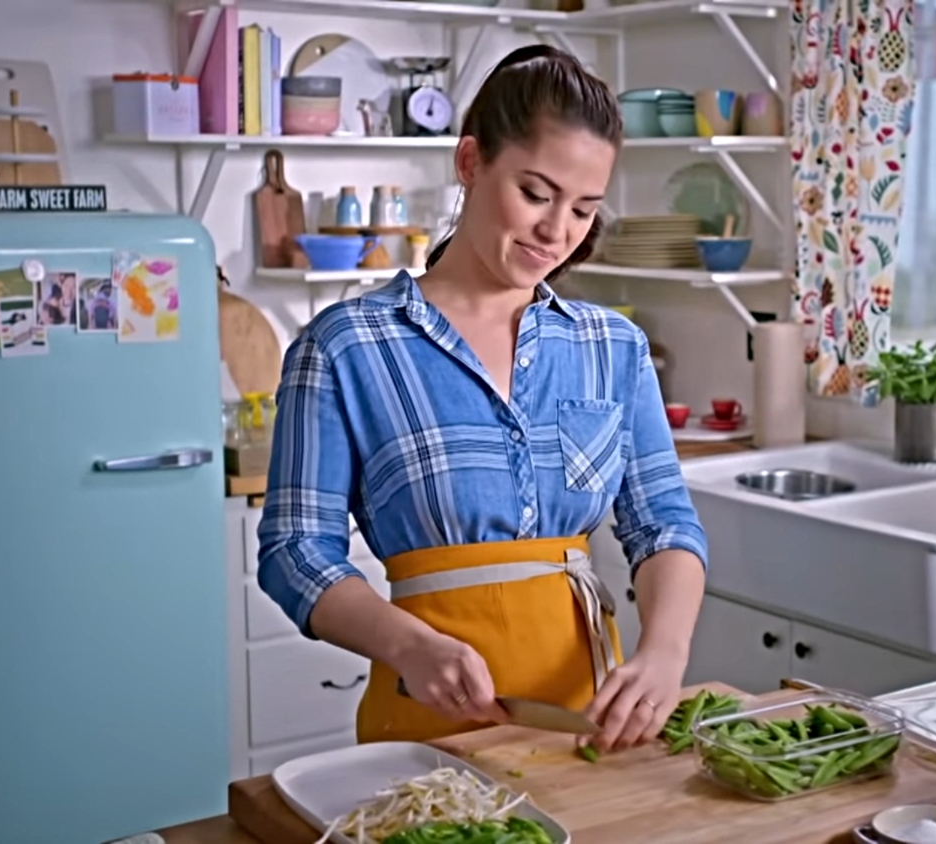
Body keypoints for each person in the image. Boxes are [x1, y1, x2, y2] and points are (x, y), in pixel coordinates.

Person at [256, 44, 709, 754]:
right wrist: (407, 647)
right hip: (421, 731)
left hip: (587, 733)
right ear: (470, 162)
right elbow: (294, 552)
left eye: (584, 209)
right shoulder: (346, 347)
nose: (557, 231)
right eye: (535, 193)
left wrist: (665, 653)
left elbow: (666, 528)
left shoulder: (611, 347)